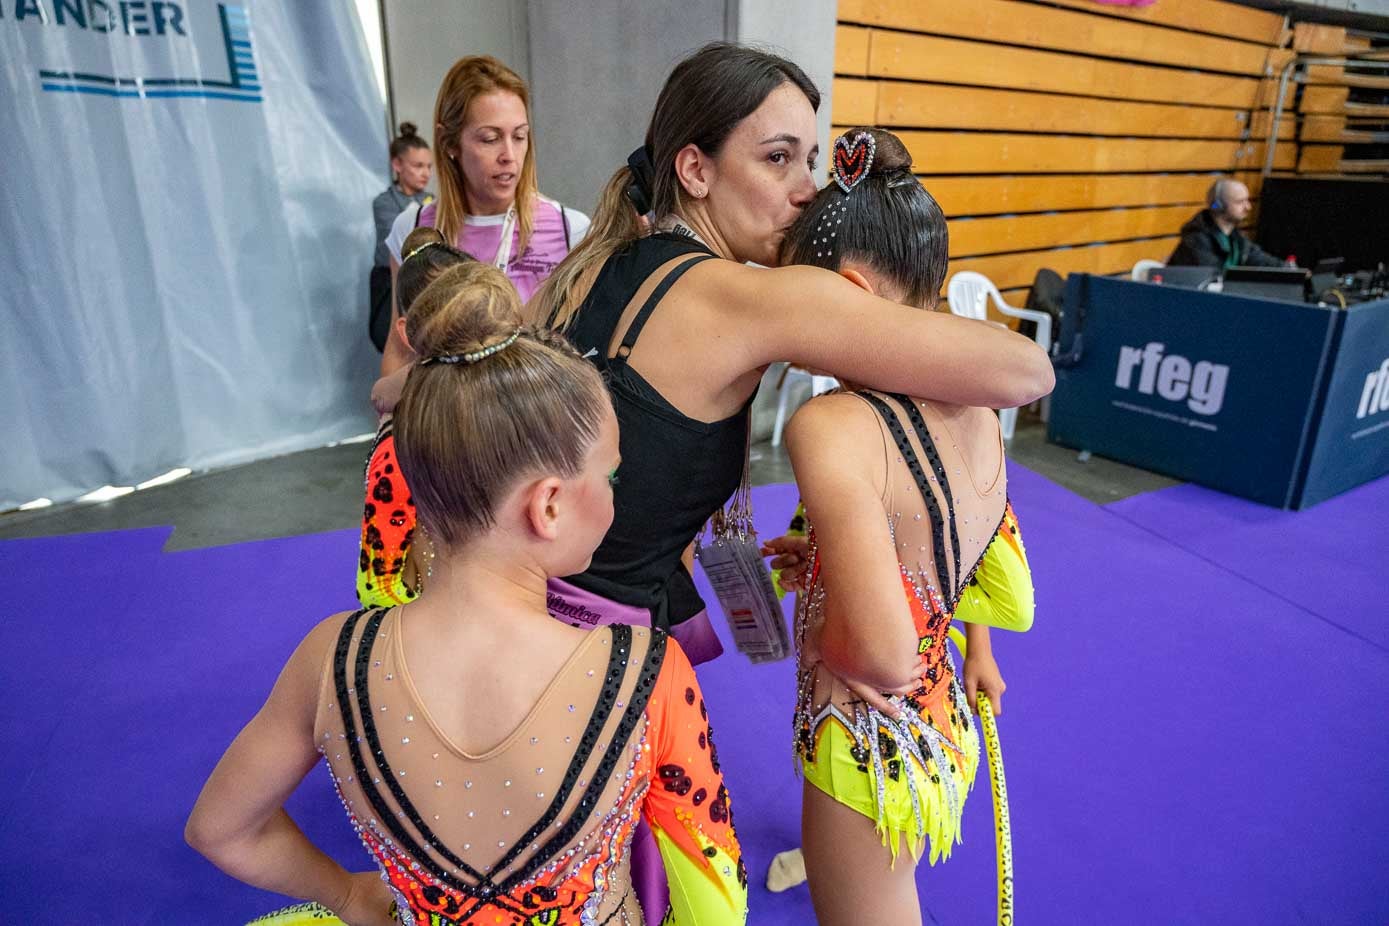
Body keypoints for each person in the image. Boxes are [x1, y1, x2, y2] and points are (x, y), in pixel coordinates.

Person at [187, 265, 748, 925]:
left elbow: (220, 830)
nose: (614, 496)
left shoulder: (331, 660)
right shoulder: (646, 674)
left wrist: (344, 893)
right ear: (547, 504)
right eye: (611, 476)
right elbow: (715, 906)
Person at [528, 42, 1051, 669]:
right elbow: (1026, 370)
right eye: (778, 159)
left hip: (513, 605)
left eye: (810, 161)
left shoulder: (592, 266)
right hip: (583, 657)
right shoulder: (756, 297)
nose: (808, 191)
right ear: (696, 171)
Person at [777, 128, 1035, 925]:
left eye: (792, 302)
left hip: (864, 742)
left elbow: (884, 654)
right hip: (939, 723)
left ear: (847, 293)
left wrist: (832, 643)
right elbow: (996, 581)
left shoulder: (835, 424)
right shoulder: (981, 410)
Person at [381, 56, 590, 376]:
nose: (509, 155)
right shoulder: (411, 228)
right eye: (490, 139)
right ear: (450, 142)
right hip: (447, 418)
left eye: (519, 136)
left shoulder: (570, 229)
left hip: (538, 417)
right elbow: (399, 348)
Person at [357, 227, 472, 610]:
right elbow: (380, 576)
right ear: (409, 331)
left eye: (467, 300)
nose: (465, 319)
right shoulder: (400, 446)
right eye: (445, 307)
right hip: (424, 611)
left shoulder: (483, 400)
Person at [370, 123, 435, 352]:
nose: (426, 173)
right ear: (397, 165)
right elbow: (401, 241)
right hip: (390, 279)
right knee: (391, 339)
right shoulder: (384, 203)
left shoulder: (431, 200)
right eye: (418, 166)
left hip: (422, 278)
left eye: (429, 166)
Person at [1167, 178, 1285, 270]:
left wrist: (1289, 269)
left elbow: (1259, 258)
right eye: (1240, 202)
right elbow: (1213, 276)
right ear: (1219, 205)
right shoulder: (1197, 239)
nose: (1248, 207)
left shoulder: (1236, 239)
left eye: (1247, 200)